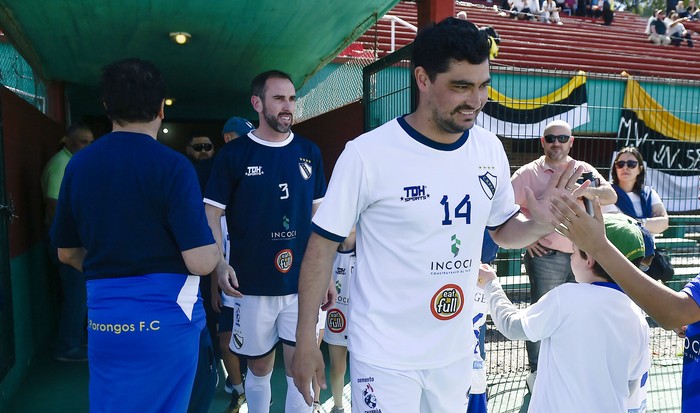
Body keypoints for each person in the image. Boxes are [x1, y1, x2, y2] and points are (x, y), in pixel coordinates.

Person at [291, 17, 588, 413]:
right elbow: (321, 246)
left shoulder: (488, 150)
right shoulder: (367, 154)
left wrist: (538, 224)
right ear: (423, 79)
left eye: (483, 85)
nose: (476, 99)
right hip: (385, 356)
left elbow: (503, 230)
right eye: (460, 87)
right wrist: (306, 339)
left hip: (455, 352)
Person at [51, 58, 220, 413]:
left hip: (104, 320)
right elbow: (200, 261)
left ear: (107, 106)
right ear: (161, 108)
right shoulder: (174, 166)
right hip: (170, 321)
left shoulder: (78, 166)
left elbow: (66, 252)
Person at [204, 70, 327, 413]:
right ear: (257, 103)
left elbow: (321, 220)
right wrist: (220, 264)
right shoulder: (233, 155)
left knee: (299, 371)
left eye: (291, 99)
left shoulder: (309, 151)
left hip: (302, 284)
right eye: (278, 99)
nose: (287, 106)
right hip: (251, 286)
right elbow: (210, 216)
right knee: (259, 368)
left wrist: (326, 272)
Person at [478, 214, 650, 412]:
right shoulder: (637, 315)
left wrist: (491, 284)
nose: (570, 257)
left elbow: (512, 326)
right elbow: (633, 389)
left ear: (590, 260)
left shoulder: (566, 297)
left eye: (574, 251)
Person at [550, 194, 700, 413]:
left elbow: (675, 312)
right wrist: (686, 314)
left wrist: (598, 246)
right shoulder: (628, 312)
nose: (697, 196)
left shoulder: (566, 298)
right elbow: (681, 311)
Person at [510, 119, 617, 390]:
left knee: (579, 314)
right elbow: (502, 207)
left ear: (571, 142)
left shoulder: (584, 169)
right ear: (542, 142)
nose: (556, 142)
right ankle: (537, 372)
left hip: (584, 257)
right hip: (547, 256)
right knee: (540, 315)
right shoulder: (527, 173)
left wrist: (583, 190)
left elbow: (611, 195)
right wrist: (525, 239)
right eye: (551, 138)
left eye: (562, 137)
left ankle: (569, 368)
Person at [204, 116, 255, 413]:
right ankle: (239, 390)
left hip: (256, 282)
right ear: (227, 139)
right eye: (241, 138)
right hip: (226, 283)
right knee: (226, 342)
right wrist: (213, 284)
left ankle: (250, 388)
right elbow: (215, 248)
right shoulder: (219, 177)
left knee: (252, 346)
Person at [41, 123, 94, 362]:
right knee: (76, 295)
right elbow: (53, 208)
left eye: (91, 141)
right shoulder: (61, 164)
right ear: (68, 141)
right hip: (64, 243)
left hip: (71, 241)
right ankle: (68, 347)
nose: (88, 146)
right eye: (83, 141)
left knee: (79, 294)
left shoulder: (72, 163)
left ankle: (75, 340)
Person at [322, 230, 356, 413]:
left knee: (361, 368)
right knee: (338, 367)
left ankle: (360, 406)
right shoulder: (328, 252)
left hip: (362, 319)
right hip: (336, 317)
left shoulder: (369, 250)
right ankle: (338, 407)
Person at [604, 146, 669, 235]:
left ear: (640, 169)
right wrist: (648, 223)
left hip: (648, 247)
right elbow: (618, 228)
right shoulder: (608, 193)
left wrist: (637, 223)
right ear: (615, 168)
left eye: (631, 164)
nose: (625, 167)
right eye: (620, 164)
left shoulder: (649, 193)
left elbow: (664, 223)